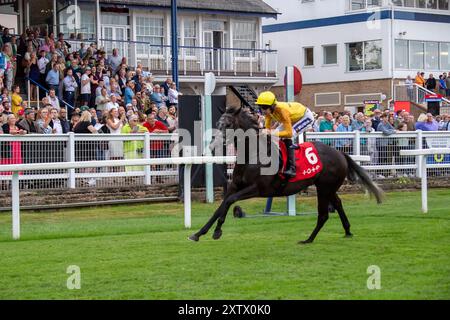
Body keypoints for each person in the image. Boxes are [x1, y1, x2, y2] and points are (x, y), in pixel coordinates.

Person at [255, 91, 314, 178]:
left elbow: (289, 133)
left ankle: (292, 168)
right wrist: (266, 132)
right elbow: (268, 129)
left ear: (272, 106)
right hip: (291, 118)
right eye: (261, 107)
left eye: (264, 107)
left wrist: (271, 132)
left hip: (305, 116)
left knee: (287, 137)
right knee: (274, 135)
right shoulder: (269, 111)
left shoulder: (282, 111)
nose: (262, 110)